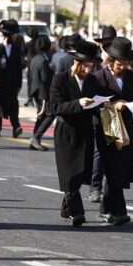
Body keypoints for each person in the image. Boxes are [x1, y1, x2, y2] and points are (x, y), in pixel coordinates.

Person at [90, 37, 133, 224]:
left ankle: (108, 210)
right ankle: (117, 211)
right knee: (112, 167)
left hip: (125, 128)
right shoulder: (99, 77)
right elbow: (91, 103)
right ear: (111, 60)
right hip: (106, 128)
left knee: (120, 167)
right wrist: (112, 105)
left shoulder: (132, 77)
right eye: (119, 63)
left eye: (125, 63)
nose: (122, 66)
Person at [50, 39, 101, 227]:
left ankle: (67, 207)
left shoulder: (93, 81)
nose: (88, 70)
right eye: (85, 66)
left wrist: (102, 104)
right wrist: (77, 103)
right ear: (76, 62)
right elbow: (56, 107)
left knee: (80, 172)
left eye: (91, 66)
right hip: (66, 131)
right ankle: (77, 212)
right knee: (69, 173)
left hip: (85, 131)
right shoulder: (61, 79)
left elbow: (97, 104)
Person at [0, 19, 24, 138]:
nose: (16, 36)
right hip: (0, 82)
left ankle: (16, 127)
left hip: (13, 83)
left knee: (14, 105)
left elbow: (19, 67)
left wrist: (19, 84)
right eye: (14, 34)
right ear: (8, 35)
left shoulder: (16, 48)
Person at [27, 35, 54, 151]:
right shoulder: (43, 61)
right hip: (42, 92)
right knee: (50, 114)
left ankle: (35, 138)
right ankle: (36, 137)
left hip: (35, 90)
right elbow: (45, 79)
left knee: (41, 115)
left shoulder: (35, 59)